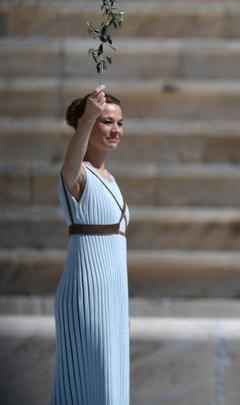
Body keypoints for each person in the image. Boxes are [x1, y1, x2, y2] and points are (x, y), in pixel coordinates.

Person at [52, 85, 130, 405]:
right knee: (88, 376)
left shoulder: (109, 177)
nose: (115, 130)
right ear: (88, 124)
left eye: (120, 123)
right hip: (87, 289)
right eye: (107, 122)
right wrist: (87, 119)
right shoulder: (78, 173)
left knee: (111, 376)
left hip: (114, 291)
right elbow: (69, 167)